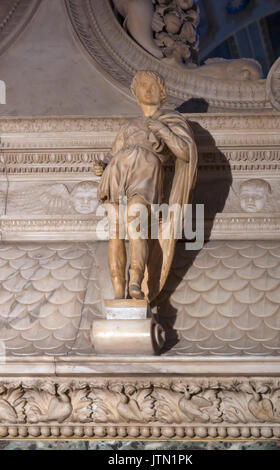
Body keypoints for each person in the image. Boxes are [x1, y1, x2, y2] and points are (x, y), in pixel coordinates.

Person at [94, 70, 197, 301]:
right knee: (115, 229)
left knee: (135, 221)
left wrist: (162, 130)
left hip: (147, 170)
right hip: (118, 171)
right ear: (135, 92)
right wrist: (103, 166)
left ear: (163, 93)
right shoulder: (128, 126)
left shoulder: (170, 120)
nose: (147, 89)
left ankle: (135, 282)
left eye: (152, 86)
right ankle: (118, 291)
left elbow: (185, 152)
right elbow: (114, 154)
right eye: (142, 85)